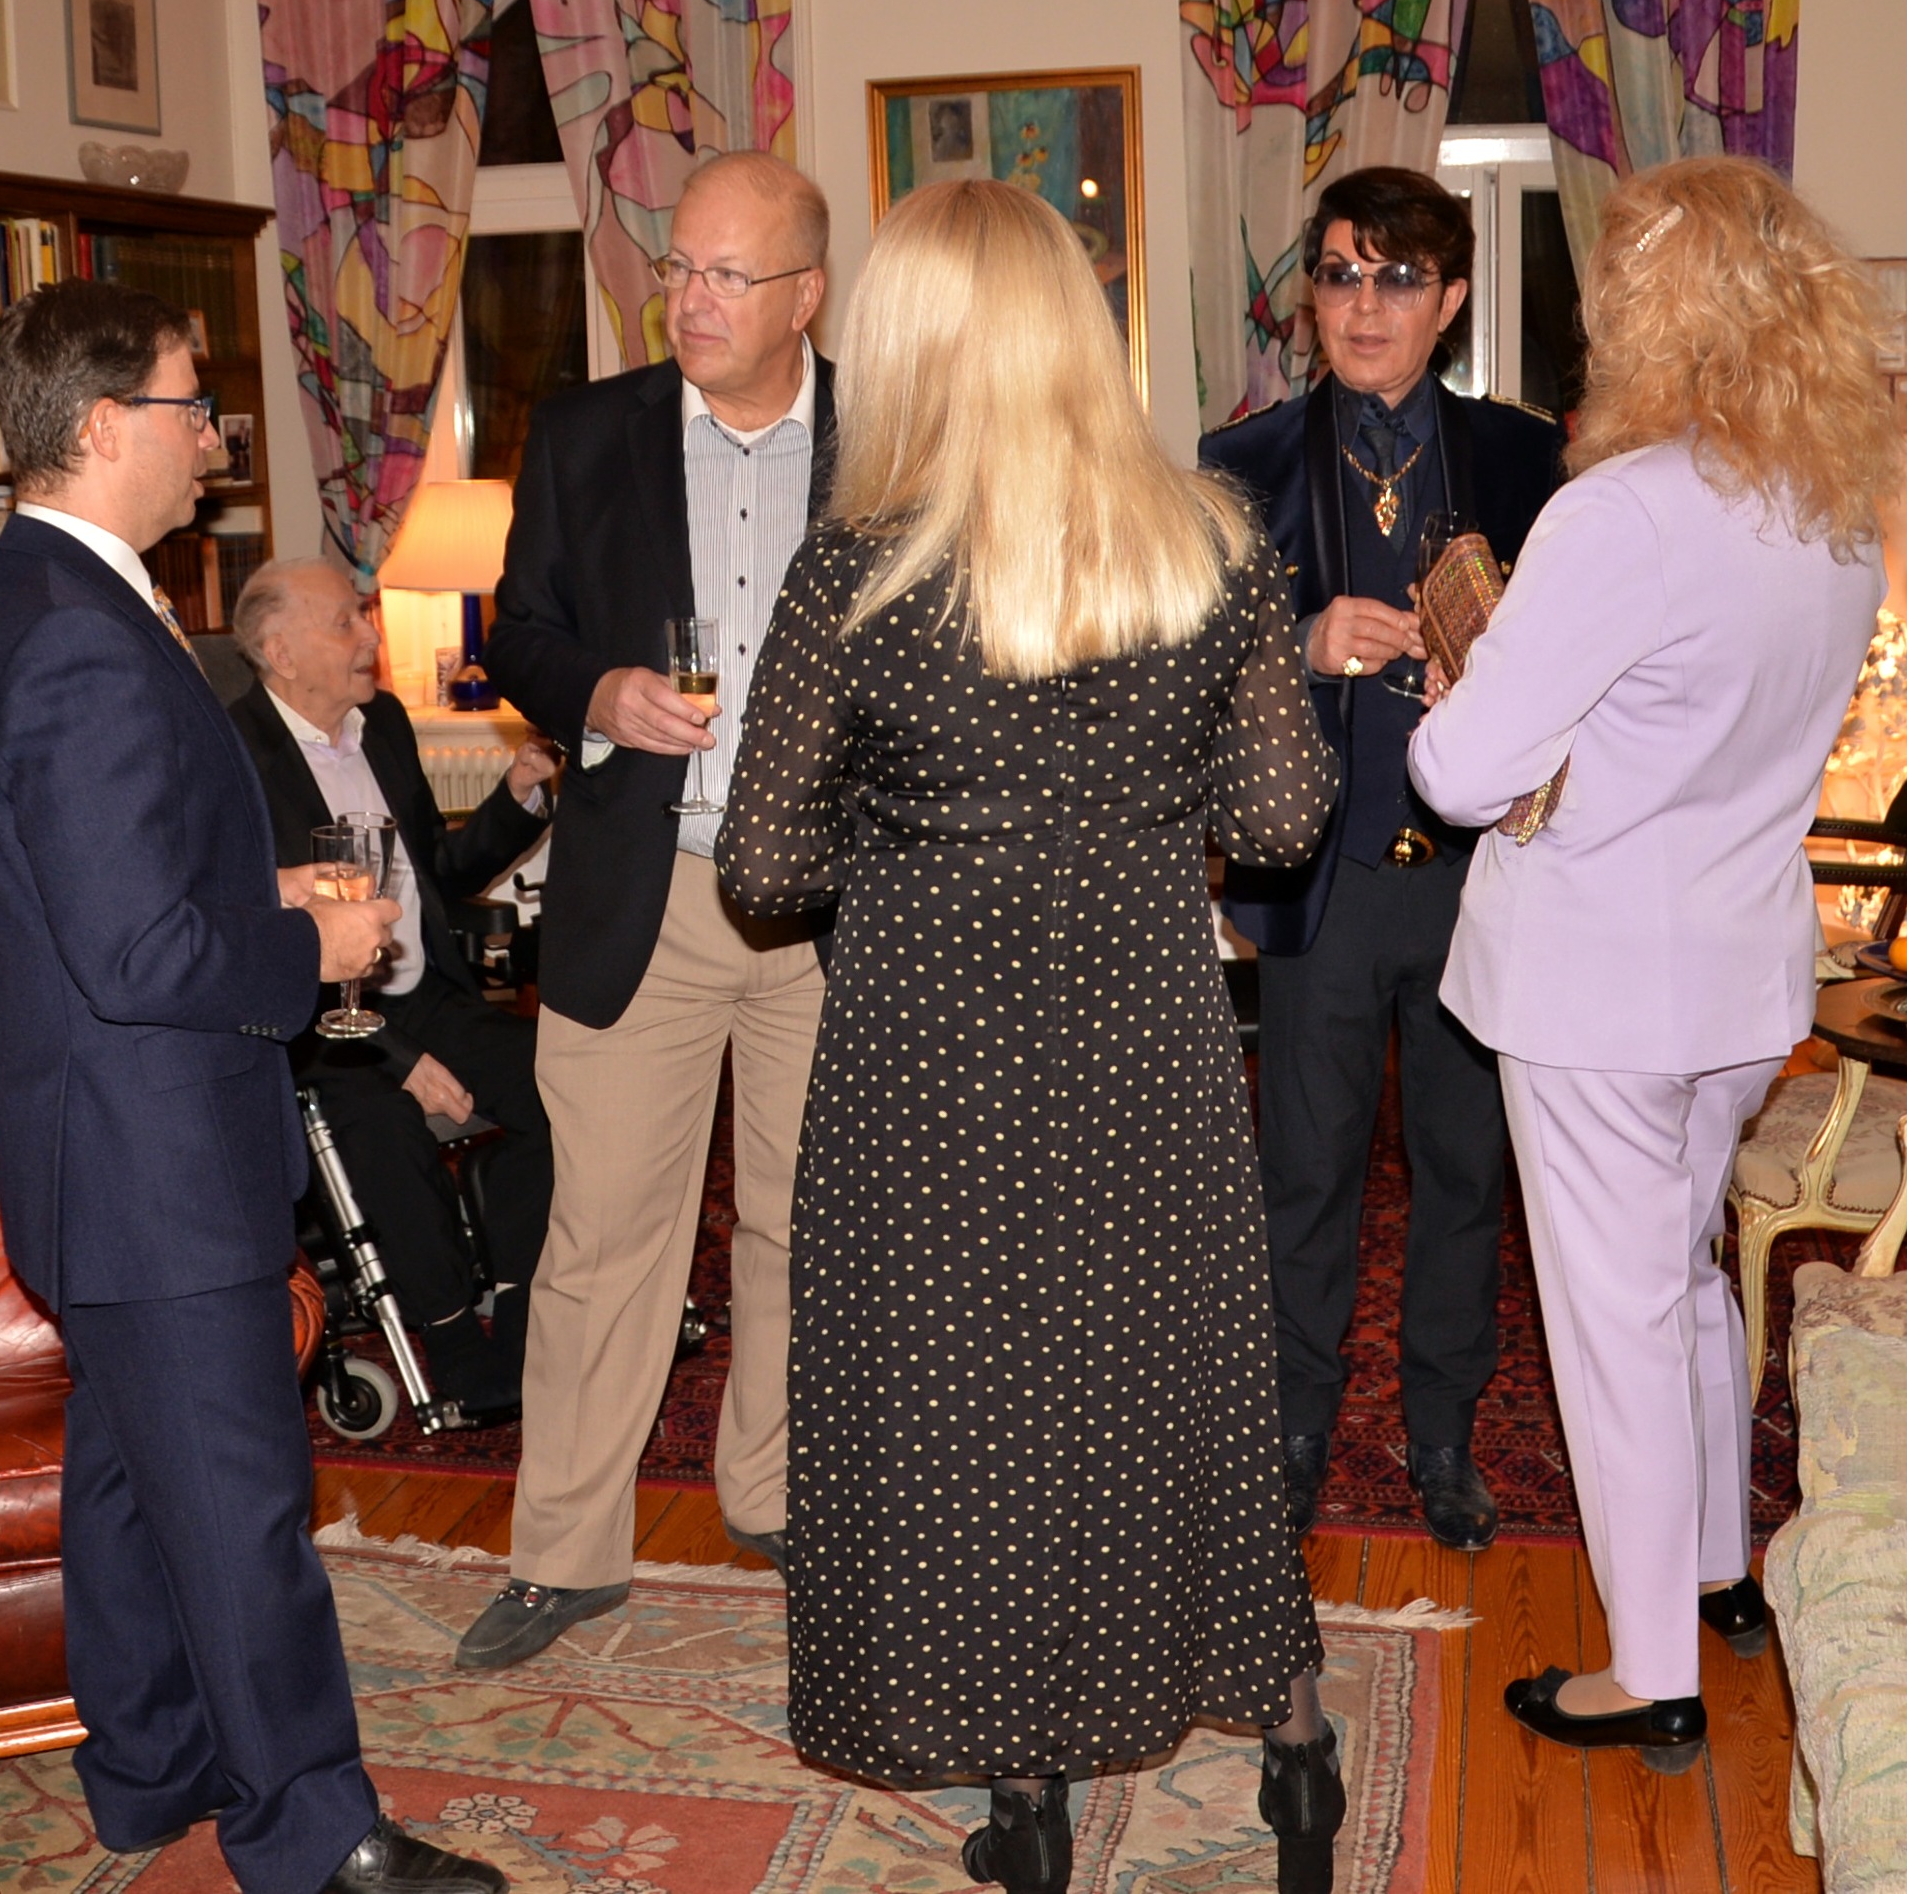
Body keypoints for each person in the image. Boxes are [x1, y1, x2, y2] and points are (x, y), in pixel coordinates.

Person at [716, 179, 1345, 1894]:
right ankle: (1292, 1750)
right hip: (1138, 1042)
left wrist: (916, 834)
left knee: (961, 1410)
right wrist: (1129, 814)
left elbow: (763, 867)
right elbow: (1280, 818)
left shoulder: (856, 571)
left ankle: (1030, 1795)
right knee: (1173, 1392)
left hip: (926, 1060)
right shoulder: (1206, 540)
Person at [0, 281, 504, 1894]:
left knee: (135, 1485)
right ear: (102, 423)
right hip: (153, 1161)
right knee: (242, 1510)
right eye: (193, 405)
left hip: (105, 1154)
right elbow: (134, 954)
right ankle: (310, 1832)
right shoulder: (80, 634)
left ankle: (147, 1770)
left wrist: (259, 896)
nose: (213, 437)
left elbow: (107, 892)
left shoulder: (44, 597)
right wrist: (311, 943)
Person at [1407, 157, 1899, 1769]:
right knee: (1678, 1279)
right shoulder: (1827, 513)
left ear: (1655, 315)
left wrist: (1461, 680)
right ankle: (1712, 1572)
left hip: (1596, 982)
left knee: (1609, 1317)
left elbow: (1460, 775)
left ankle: (1646, 1672)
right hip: (1738, 971)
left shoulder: (1618, 511)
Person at [472, 150, 836, 1667]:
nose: (687, 298)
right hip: (645, 892)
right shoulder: (586, 431)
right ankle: (564, 1552)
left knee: (806, 1225)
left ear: (804, 295)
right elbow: (518, 633)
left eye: (725, 275)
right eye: (678, 266)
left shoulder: (888, 440)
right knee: (602, 1236)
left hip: (827, 911)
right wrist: (599, 692)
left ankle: (773, 1492)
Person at [1201, 166, 1568, 1552]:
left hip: (1483, 881)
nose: (1365, 305)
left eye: (1398, 278)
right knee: (1304, 1177)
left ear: (1450, 298)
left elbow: (1579, 659)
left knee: (1465, 1175)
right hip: (1322, 881)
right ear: (1311, 295)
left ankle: (1441, 1436)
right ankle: (1291, 1430)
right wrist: (1297, 645)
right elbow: (1186, 668)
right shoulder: (1237, 463)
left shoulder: (1528, 459)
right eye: (1341, 274)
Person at [225, 554, 557, 1421]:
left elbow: (435, 875)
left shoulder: (383, 723)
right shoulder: (232, 755)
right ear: (280, 653)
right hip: (314, 1020)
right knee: (380, 1120)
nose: (369, 635)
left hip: (422, 993)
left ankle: (521, 1313)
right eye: (345, 620)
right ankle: (451, 1342)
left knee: (564, 1078)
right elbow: (254, 931)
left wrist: (516, 795)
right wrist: (399, 1057)